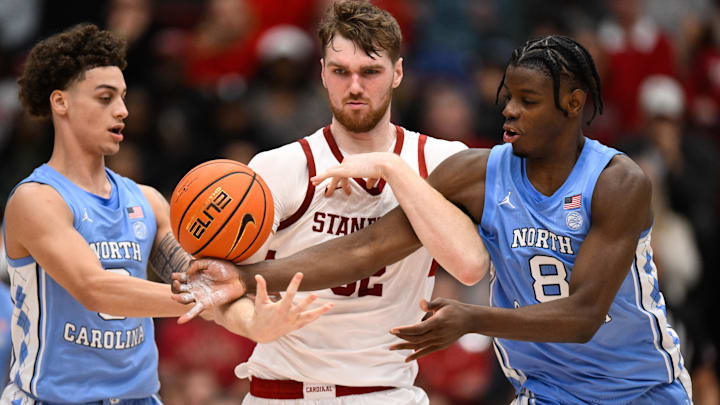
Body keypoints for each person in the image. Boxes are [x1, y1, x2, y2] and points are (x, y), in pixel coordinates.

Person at [175, 35, 693, 404]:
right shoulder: (478, 172)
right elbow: (366, 248)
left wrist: (472, 319)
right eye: (507, 97)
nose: (509, 111)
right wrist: (244, 276)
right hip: (542, 391)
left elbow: (581, 317)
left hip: (638, 388)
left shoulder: (618, 180)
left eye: (528, 101)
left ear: (573, 104)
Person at [1, 24, 329, 404]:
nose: (123, 110)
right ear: (61, 102)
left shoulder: (148, 201)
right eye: (105, 98)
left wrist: (254, 323)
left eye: (122, 97)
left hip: (140, 398)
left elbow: (204, 282)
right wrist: (201, 295)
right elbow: (96, 289)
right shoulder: (36, 200)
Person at [177, 1, 475, 404]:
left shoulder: (437, 161)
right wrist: (252, 325)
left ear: (398, 73)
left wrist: (392, 168)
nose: (355, 87)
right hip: (280, 391)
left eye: (371, 72)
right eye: (341, 72)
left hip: (384, 392)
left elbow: (470, 266)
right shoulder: (278, 168)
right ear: (322, 73)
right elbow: (213, 284)